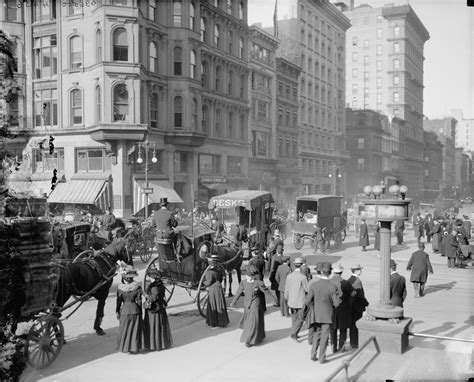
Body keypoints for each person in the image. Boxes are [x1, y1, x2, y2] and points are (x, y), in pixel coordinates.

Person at [304, 262, 341, 363]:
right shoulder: (332, 287)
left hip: (316, 315)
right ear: (330, 272)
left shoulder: (314, 285)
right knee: (324, 337)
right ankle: (322, 358)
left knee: (316, 335)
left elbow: (307, 301)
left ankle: (313, 355)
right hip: (327, 316)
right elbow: (337, 303)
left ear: (321, 272)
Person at [230, 266, 268, 347]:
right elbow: (238, 292)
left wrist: (275, 300)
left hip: (256, 305)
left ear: (253, 276)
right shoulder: (243, 282)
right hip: (247, 305)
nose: (248, 277)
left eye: (250, 276)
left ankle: (249, 340)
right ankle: (258, 337)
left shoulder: (259, 283)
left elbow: (267, 292)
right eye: (247, 276)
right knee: (249, 323)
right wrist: (233, 302)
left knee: (254, 322)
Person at [116, 266, 144, 354]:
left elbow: (118, 302)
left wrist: (117, 311)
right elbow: (139, 301)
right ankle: (134, 348)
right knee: (135, 330)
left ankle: (125, 347)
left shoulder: (120, 289)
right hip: (135, 310)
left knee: (125, 330)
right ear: (133, 278)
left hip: (124, 310)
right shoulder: (137, 288)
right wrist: (140, 312)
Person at [143, 269, 172, 351]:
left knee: (153, 326)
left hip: (155, 309)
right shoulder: (160, 284)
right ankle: (161, 343)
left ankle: (154, 345)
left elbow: (154, 297)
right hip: (160, 307)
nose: (149, 279)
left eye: (150, 277)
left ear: (153, 278)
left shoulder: (154, 287)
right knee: (159, 326)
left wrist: (146, 296)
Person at [329, 262, 352, 354]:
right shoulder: (346, 283)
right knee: (343, 329)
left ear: (334, 272)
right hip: (343, 309)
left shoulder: (329, 282)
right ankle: (342, 348)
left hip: (332, 309)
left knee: (333, 329)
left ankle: (333, 348)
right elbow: (352, 295)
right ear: (341, 272)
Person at [285, 257, 309, 341]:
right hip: (300, 301)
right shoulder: (303, 277)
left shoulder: (289, 276)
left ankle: (295, 332)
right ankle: (294, 333)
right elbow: (307, 289)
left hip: (291, 301)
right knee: (301, 318)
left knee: (294, 318)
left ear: (295, 265)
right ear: (302, 265)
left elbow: (286, 289)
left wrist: (287, 298)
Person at [203, 254, 230, 328]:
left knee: (213, 304)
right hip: (219, 288)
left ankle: (214, 322)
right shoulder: (219, 270)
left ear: (211, 262)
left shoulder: (209, 271)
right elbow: (220, 280)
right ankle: (222, 321)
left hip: (213, 289)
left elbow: (208, 282)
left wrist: (203, 282)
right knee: (219, 304)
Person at [347, 264, 369, 349]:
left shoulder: (349, 280)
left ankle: (353, 342)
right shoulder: (357, 281)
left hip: (351, 306)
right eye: (360, 270)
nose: (361, 271)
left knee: (352, 325)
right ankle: (355, 343)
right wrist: (366, 303)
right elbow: (360, 295)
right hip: (357, 306)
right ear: (356, 270)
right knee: (356, 325)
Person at [153, 198, 179, 262]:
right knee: (178, 237)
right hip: (167, 236)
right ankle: (177, 254)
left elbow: (153, 225)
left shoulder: (156, 213)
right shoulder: (169, 213)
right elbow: (175, 224)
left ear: (160, 205)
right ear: (167, 205)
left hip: (158, 236)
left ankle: (163, 257)